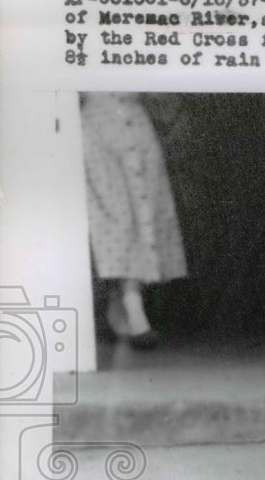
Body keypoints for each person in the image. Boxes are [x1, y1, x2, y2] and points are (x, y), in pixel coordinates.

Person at [80, 92, 187, 349]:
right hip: (96, 123)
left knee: (145, 211)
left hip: (135, 122)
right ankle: (124, 304)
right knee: (113, 214)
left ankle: (129, 305)